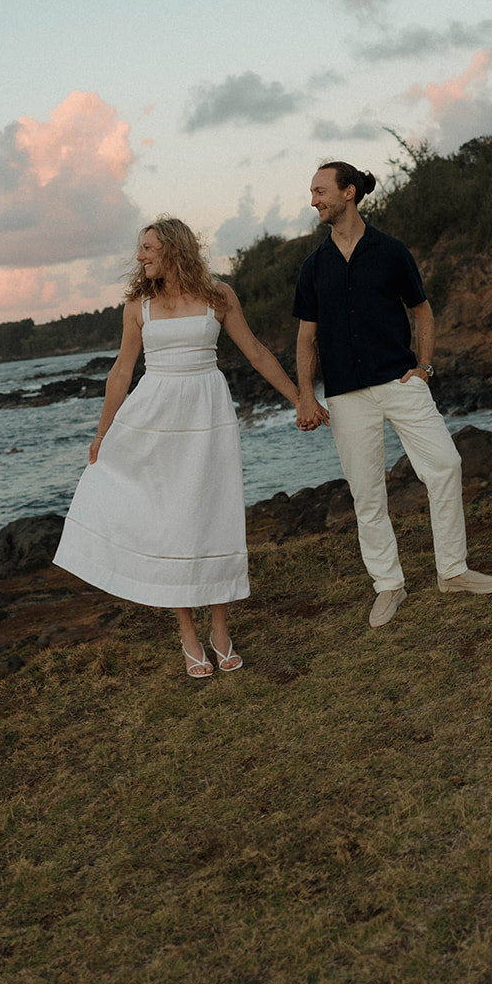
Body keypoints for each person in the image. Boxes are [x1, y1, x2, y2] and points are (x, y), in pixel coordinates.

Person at [54, 217, 328, 677]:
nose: (140, 257)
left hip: (208, 416)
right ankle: (187, 633)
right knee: (170, 524)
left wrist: (301, 398)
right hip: (154, 420)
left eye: (147, 248)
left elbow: (257, 352)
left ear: (173, 250)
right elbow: (123, 371)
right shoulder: (137, 305)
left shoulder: (219, 296)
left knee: (212, 514)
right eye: (140, 249)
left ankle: (220, 630)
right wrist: (102, 433)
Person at [293, 162, 492, 627]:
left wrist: (424, 367)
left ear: (349, 192)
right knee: (367, 494)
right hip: (346, 396)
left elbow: (423, 312)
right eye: (312, 193)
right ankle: (389, 585)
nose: (314, 200)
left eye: (320, 191)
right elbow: (306, 339)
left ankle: (452, 571)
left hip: (400, 382)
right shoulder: (313, 268)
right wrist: (306, 396)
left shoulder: (391, 251)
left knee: (445, 466)